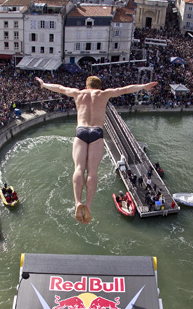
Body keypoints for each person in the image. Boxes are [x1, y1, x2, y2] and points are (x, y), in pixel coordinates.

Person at [36, 76, 158, 224]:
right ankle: (88, 204)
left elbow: (60, 88)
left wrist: (44, 84)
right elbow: (125, 89)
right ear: (99, 87)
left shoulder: (78, 93)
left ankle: (77, 203)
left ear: (86, 87)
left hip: (81, 131)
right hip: (97, 132)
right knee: (92, 171)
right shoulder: (104, 94)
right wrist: (144, 86)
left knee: (79, 169)